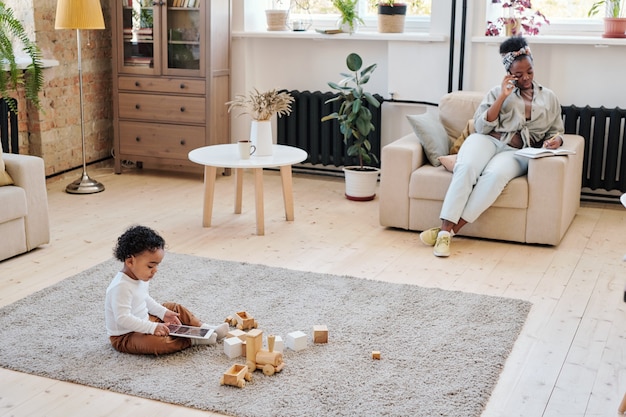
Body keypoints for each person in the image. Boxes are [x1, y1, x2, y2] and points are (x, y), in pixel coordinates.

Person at [420, 36, 565, 257]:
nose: (525, 78)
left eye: (530, 72)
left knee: (495, 176)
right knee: (466, 167)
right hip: (486, 139)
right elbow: (480, 126)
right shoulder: (497, 92)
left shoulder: (550, 97)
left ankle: (446, 233)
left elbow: (557, 130)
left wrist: (557, 140)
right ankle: (445, 233)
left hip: (517, 152)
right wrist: (502, 97)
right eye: (518, 74)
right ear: (509, 73)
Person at [105, 225, 229, 355]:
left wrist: (163, 313)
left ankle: (204, 328)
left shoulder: (139, 277)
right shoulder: (120, 287)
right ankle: (192, 340)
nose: (155, 270)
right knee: (157, 344)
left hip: (145, 319)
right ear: (130, 261)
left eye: (157, 265)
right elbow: (123, 319)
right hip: (126, 335)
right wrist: (152, 328)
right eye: (150, 266)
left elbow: (144, 299)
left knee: (174, 308)